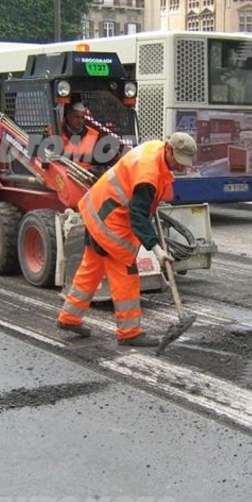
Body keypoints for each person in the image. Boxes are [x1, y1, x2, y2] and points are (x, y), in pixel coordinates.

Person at [55, 132, 198, 347]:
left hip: (97, 211)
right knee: (127, 274)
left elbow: (141, 198)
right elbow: (138, 215)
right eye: (179, 161)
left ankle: (69, 318)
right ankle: (129, 332)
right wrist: (156, 250)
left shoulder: (155, 149)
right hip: (111, 222)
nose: (181, 167)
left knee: (91, 269)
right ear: (168, 148)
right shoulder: (147, 173)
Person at [61, 102, 101, 172]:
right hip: (61, 171)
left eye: (82, 118)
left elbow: (99, 158)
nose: (80, 121)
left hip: (85, 176)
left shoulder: (93, 135)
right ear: (68, 116)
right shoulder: (55, 130)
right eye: (76, 117)